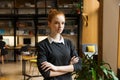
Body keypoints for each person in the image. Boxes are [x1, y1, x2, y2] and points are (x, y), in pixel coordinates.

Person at [36, 9, 82, 80]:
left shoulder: (69, 43)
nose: (60, 26)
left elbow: (78, 66)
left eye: (63, 23)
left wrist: (55, 68)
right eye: (56, 23)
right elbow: (47, 73)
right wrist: (69, 67)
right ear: (49, 23)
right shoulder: (42, 45)